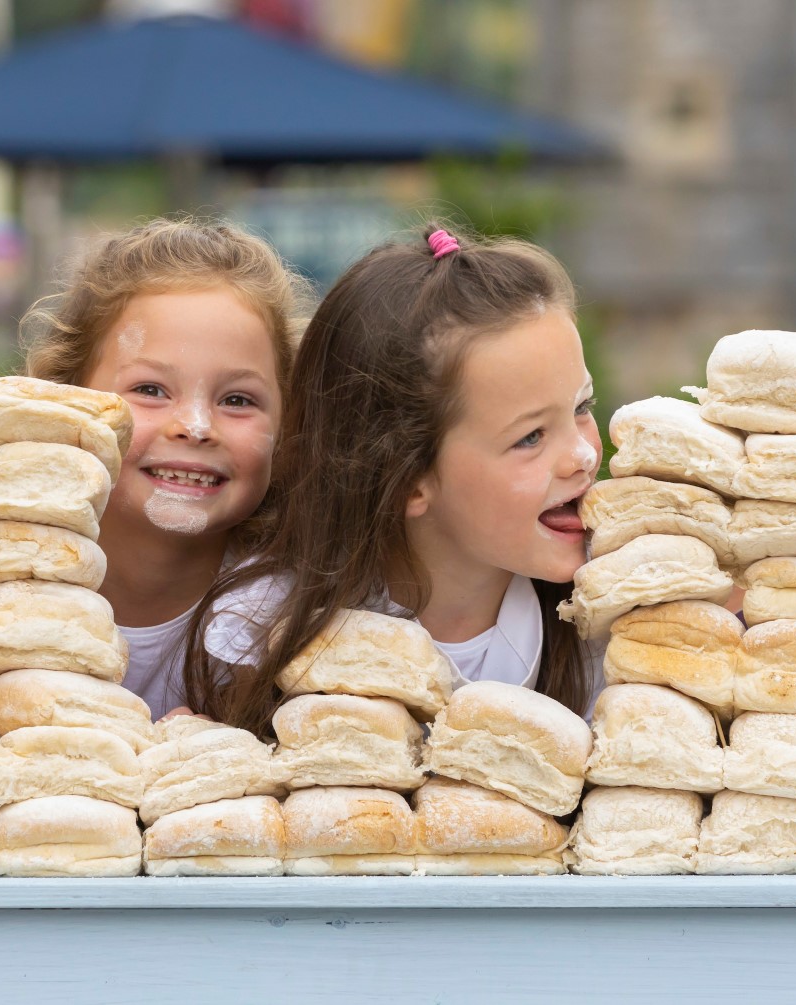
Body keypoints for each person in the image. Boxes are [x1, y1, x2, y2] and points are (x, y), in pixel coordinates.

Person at [182, 225, 603, 737]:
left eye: (582, 408)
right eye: (531, 437)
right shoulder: (265, 633)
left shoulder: (610, 622)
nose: (581, 455)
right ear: (407, 479)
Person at [22, 218, 310, 719]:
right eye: (150, 390)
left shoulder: (296, 622)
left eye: (237, 399)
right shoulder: (7, 582)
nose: (195, 426)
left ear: (288, 427)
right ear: (66, 399)